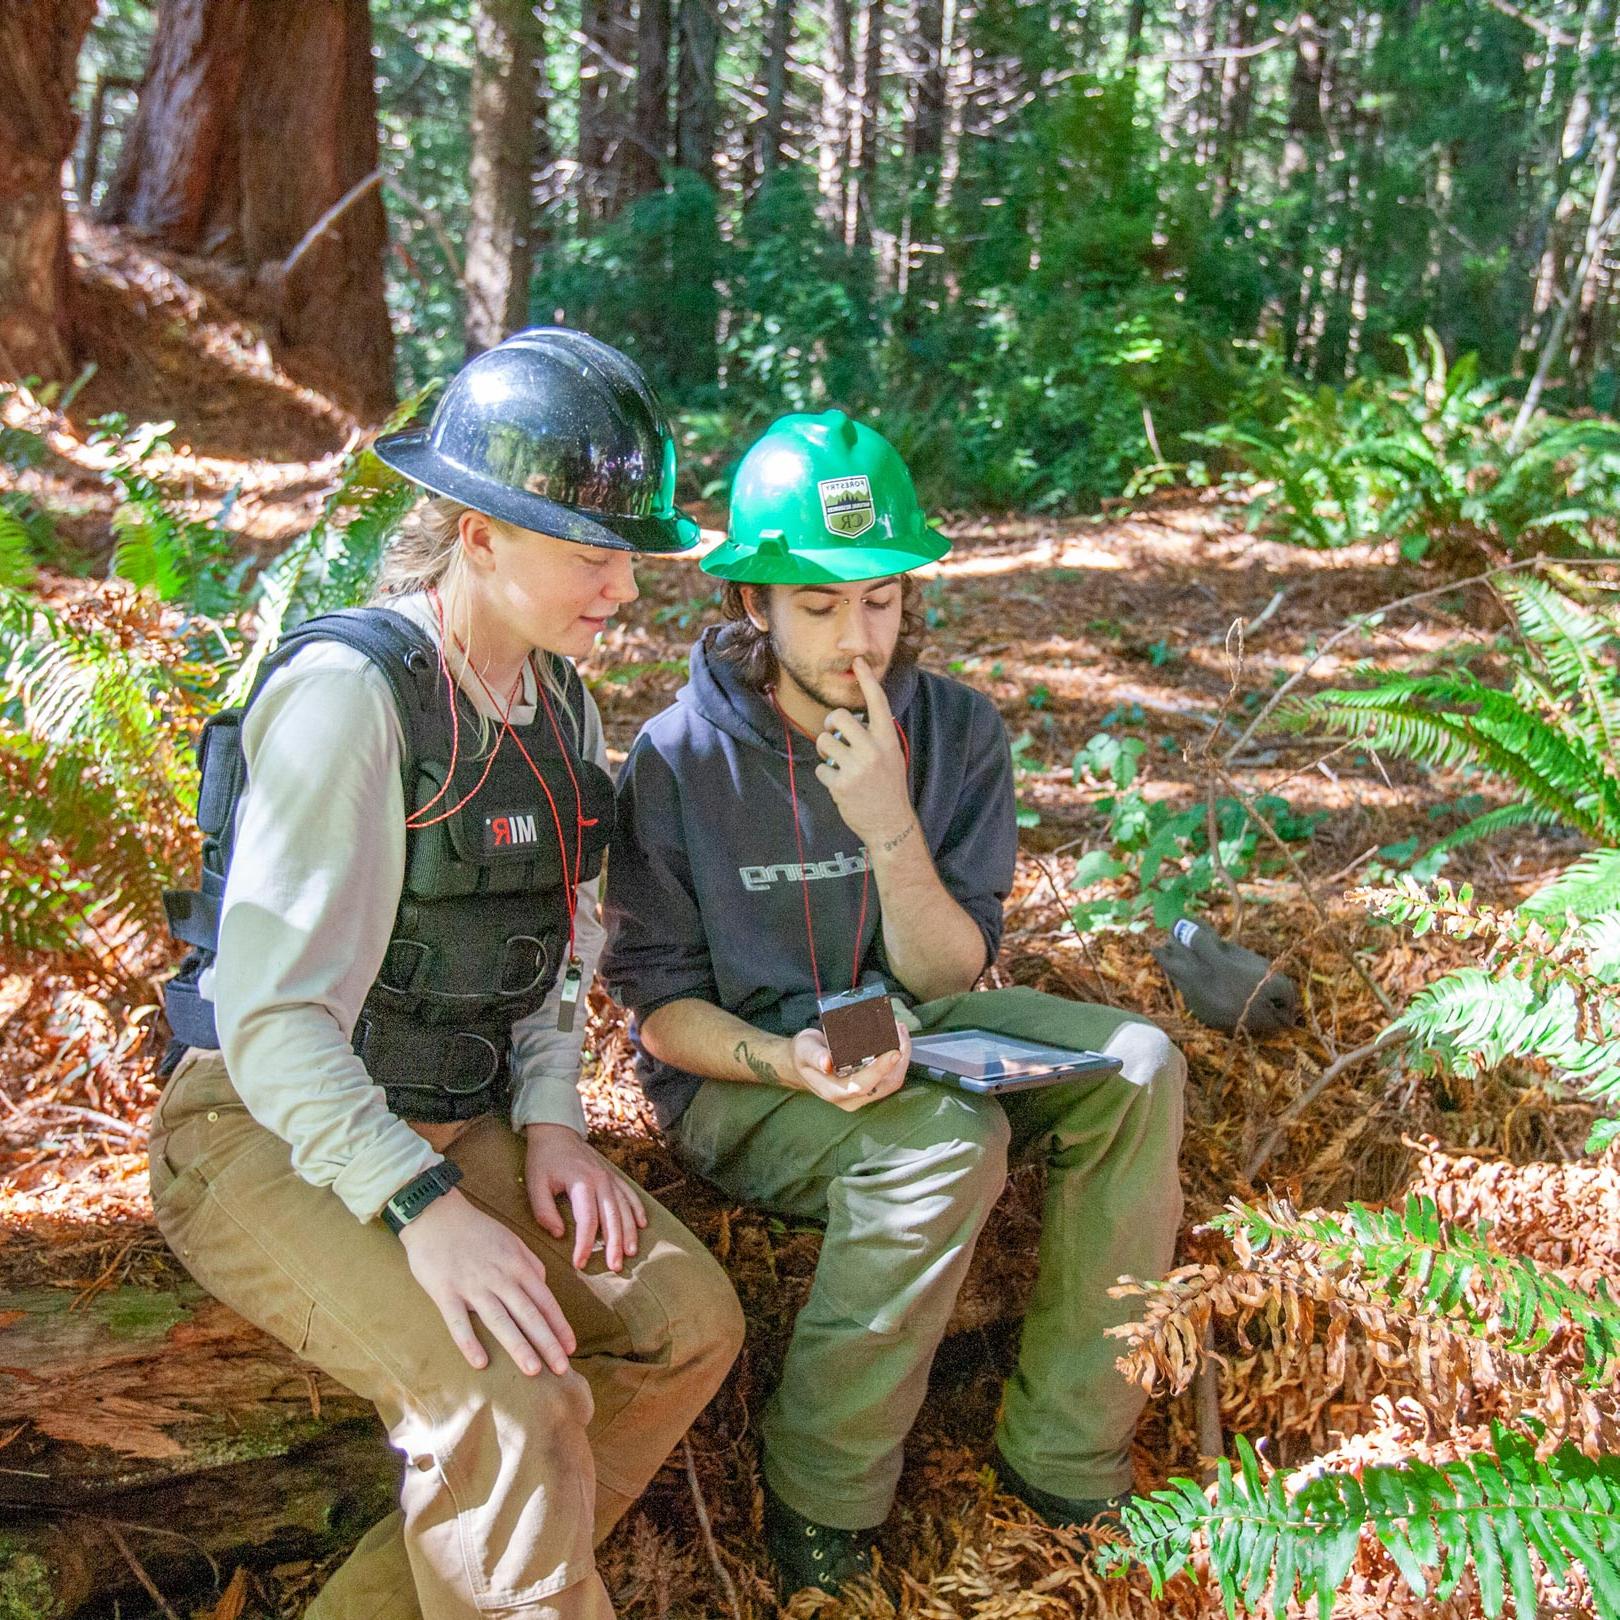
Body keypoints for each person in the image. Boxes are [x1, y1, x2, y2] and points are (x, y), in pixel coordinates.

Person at [148, 329, 744, 1620]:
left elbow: (549, 954)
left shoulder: (557, 708)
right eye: (592, 557)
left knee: (684, 1322)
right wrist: (425, 1211)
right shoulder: (350, 699)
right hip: (260, 1130)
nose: (623, 594)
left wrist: (548, 1124)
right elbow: (270, 1019)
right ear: (476, 533)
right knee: (506, 1398)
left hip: (449, 1115)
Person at [601, 409, 1186, 1596]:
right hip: (750, 1062)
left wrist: (886, 823)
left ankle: (1069, 1455)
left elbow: (946, 975)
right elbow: (657, 1010)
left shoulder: (956, 730)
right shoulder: (676, 762)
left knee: (1139, 1065)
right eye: (815, 606)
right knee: (945, 1142)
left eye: (877, 599)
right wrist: (789, 1063)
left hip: (908, 1017)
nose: (853, 636)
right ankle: (822, 1495)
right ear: (751, 605)